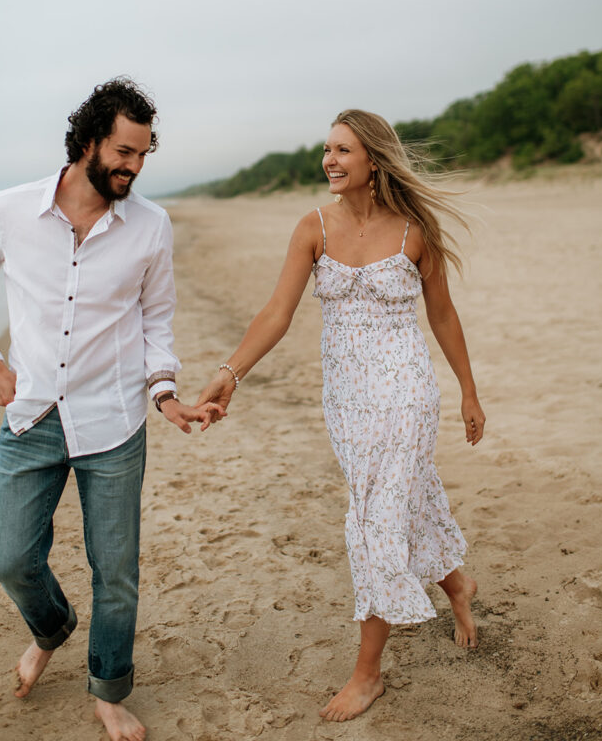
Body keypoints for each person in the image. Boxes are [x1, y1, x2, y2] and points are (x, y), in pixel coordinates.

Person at [0, 78, 220, 741]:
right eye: (125, 151)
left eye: (144, 154)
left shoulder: (151, 227)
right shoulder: (9, 210)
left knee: (116, 575)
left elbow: (158, 319)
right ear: (91, 141)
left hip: (114, 422)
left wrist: (165, 395)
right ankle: (51, 628)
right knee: (11, 557)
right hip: (33, 415)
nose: (134, 165)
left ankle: (108, 690)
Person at [196, 109, 486, 723]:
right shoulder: (314, 228)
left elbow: (443, 315)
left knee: (375, 521)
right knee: (410, 499)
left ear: (372, 161)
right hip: (347, 401)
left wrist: (468, 390)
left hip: (407, 392)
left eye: (342, 150)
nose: (329, 159)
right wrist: (231, 371)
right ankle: (458, 584)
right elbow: (277, 313)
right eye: (326, 149)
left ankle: (367, 673)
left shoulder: (414, 232)